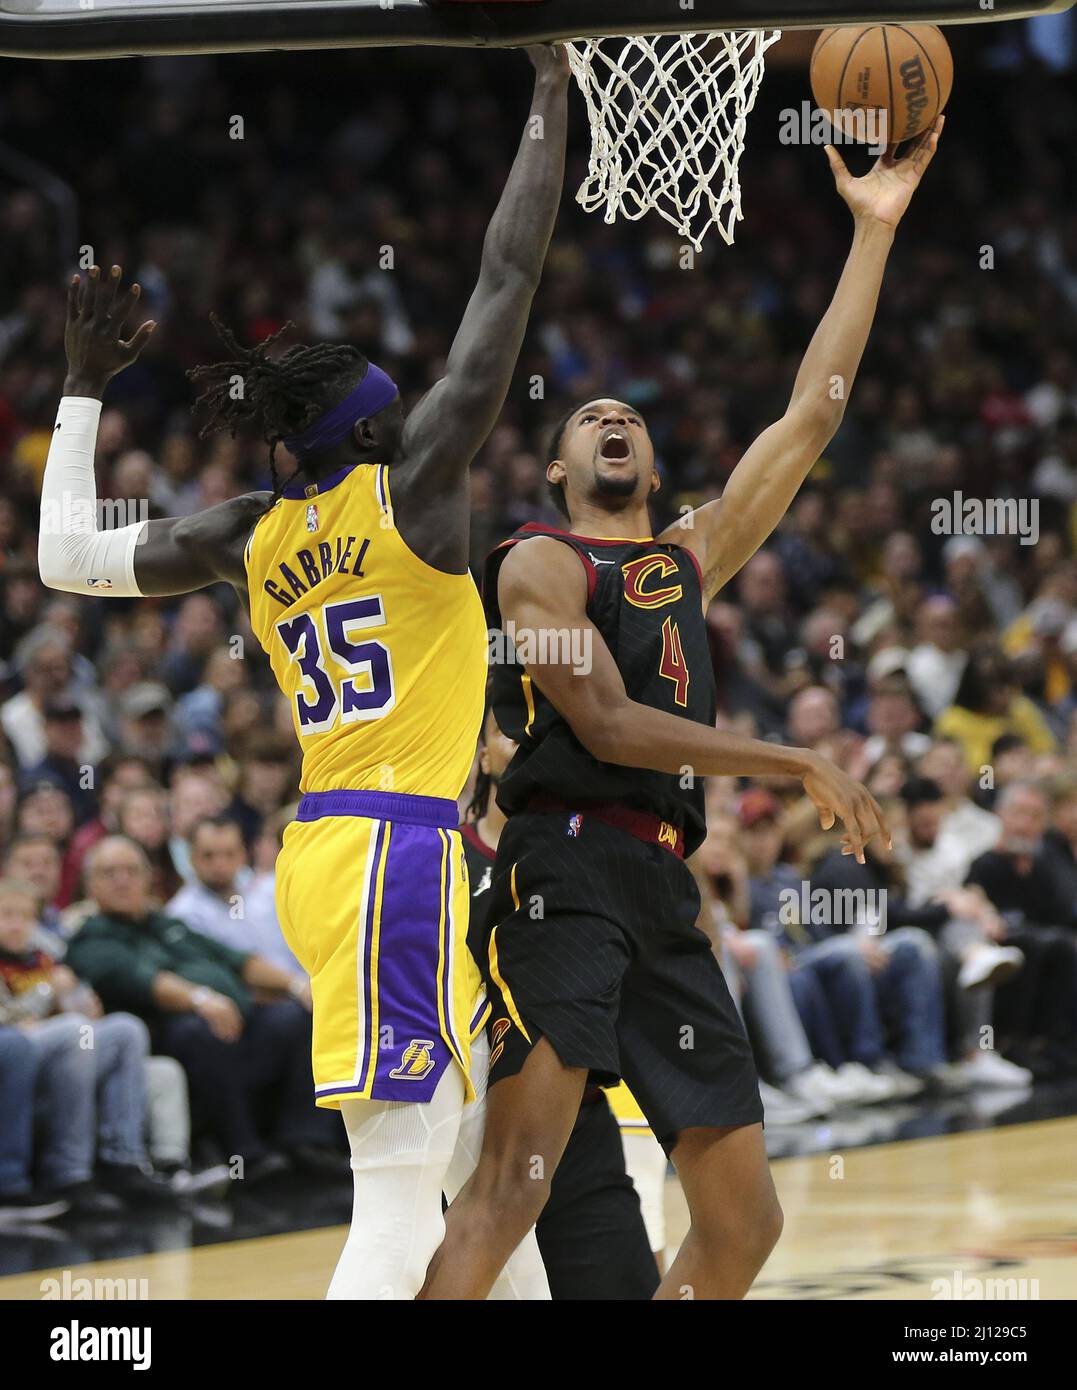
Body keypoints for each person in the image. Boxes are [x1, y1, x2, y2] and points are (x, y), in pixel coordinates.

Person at [39, 45, 570, 1299]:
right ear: (380, 431)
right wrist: (554, 94)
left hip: (340, 849)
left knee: (481, 1167)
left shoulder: (244, 535)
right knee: (398, 1183)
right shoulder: (417, 499)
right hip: (400, 850)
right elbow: (506, 276)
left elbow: (64, 553)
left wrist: (78, 387)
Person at [423, 121, 942, 1300]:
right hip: (561, 875)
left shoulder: (686, 553)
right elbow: (605, 724)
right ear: (558, 470)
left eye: (632, 418)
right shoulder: (536, 564)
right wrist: (792, 754)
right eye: (588, 418)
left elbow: (815, 410)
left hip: (665, 886)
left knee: (743, 1221)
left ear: (654, 466)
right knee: (515, 1183)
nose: (613, 419)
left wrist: (873, 232)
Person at [460, 709, 658, 1298]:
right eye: (506, 730)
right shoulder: (448, 860)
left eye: (539, 730)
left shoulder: (592, 853)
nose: (525, 741)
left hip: (580, 1117)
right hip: (477, 1132)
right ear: (483, 758)